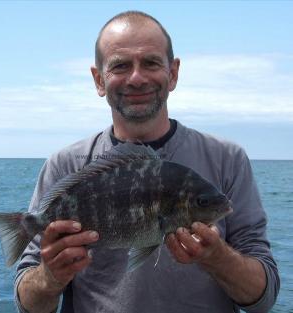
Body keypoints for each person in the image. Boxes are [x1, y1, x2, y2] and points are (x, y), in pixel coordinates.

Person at [14, 11, 279, 313]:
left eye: (151, 62)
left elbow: (265, 298)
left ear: (173, 73)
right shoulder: (65, 165)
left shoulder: (227, 159)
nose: (137, 78)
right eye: (120, 66)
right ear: (99, 80)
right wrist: (50, 277)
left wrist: (218, 258)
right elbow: (27, 305)